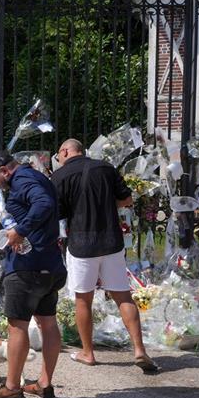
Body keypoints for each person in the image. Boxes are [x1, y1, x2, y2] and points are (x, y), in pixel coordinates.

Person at [51, 138, 159, 372]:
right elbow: (127, 199)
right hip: (111, 240)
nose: (58, 159)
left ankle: (88, 353)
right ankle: (139, 350)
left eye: (58, 155)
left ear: (66, 151)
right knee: (123, 296)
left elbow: (57, 212)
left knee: (83, 299)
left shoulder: (59, 176)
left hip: (81, 244)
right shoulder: (106, 168)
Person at [0, 150, 66, 398]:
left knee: (17, 326)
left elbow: (44, 204)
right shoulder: (39, 177)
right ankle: (44, 383)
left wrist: (20, 230)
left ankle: (12, 387)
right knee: (48, 323)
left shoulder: (22, 181)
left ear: (4, 171)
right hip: (50, 263)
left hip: (28, 266)